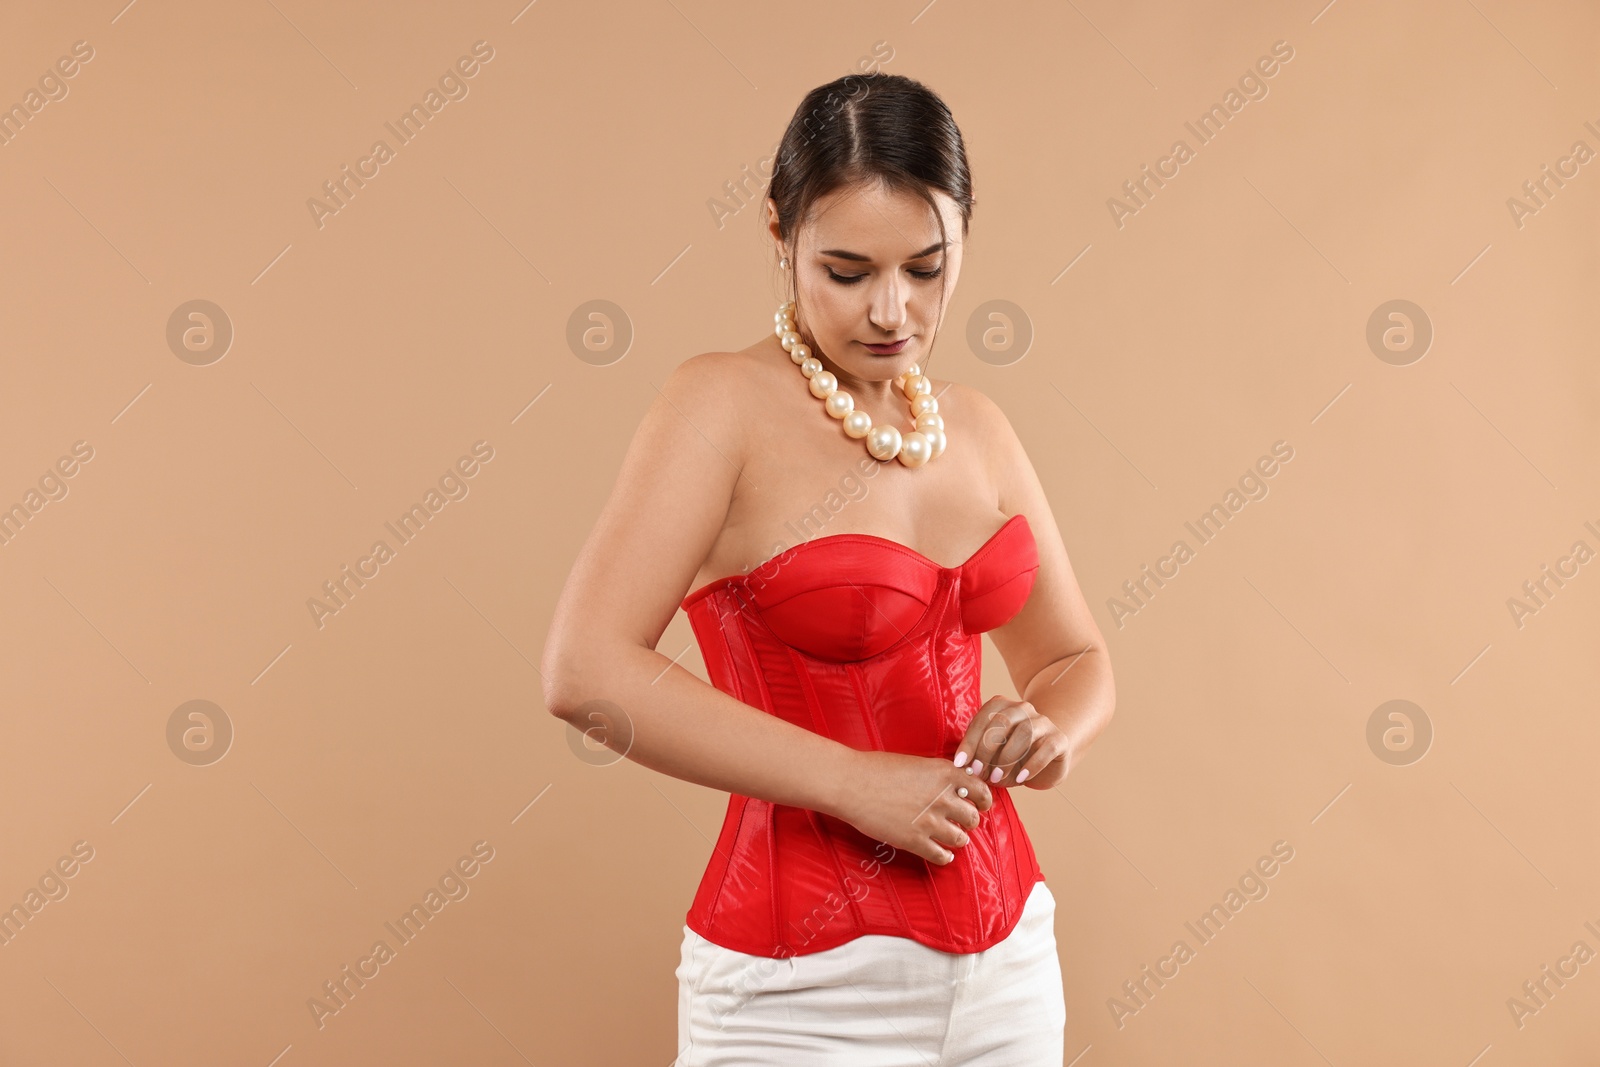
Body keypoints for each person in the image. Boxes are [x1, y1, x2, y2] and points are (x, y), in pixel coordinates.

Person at [541, 71, 1115, 1066]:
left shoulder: (976, 429)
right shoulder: (716, 406)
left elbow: (1072, 656)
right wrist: (849, 779)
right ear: (778, 232)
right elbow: (583, 671)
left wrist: (1047, 726)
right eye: (845, 270)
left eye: (926, 269)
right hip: (796, 989)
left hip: (1009, 967)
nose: (891, 310)